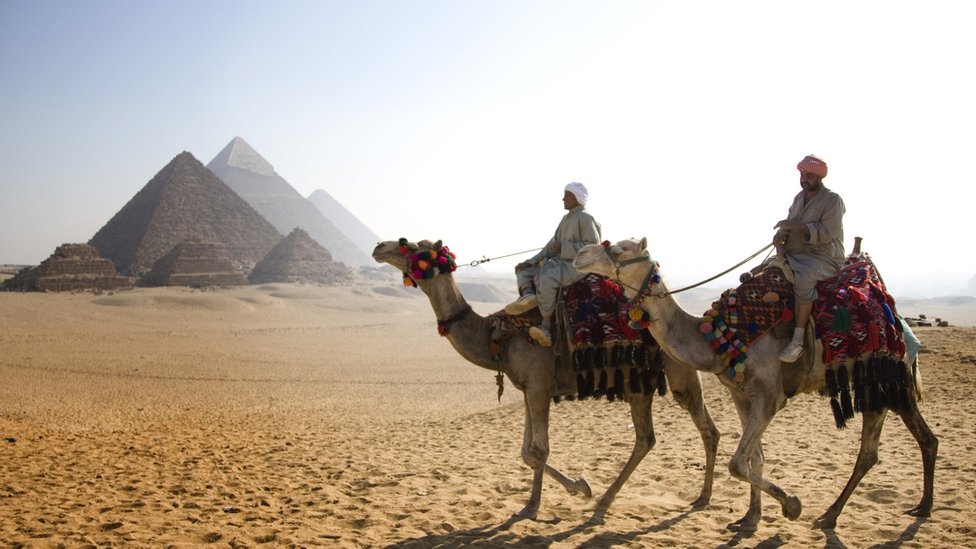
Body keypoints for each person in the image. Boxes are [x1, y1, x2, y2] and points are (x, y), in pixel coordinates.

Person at [504, 182, 602, 347]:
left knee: (548, 279)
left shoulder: (586, 218)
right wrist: (530, 262)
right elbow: (551, 246)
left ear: (577, 197)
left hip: (578, 266)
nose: (563, 199)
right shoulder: (566, 219)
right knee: (524, 272)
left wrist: (564, 248)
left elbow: (592, 248)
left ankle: (546, 327)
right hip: (560, 263)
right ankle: (528, 296)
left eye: (567, 195)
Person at [773, 154, 846, 362]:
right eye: (802, 175)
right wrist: (781, 236)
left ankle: (797, 341)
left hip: (823, 258)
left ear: (819, 177)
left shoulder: (833, 200)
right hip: (795, 253)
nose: (804, 179)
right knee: (766, 271)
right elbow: (790, 221)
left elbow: (828, 232)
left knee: (803, 279)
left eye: (809, 175)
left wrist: (795, 227)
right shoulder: (798, 198)